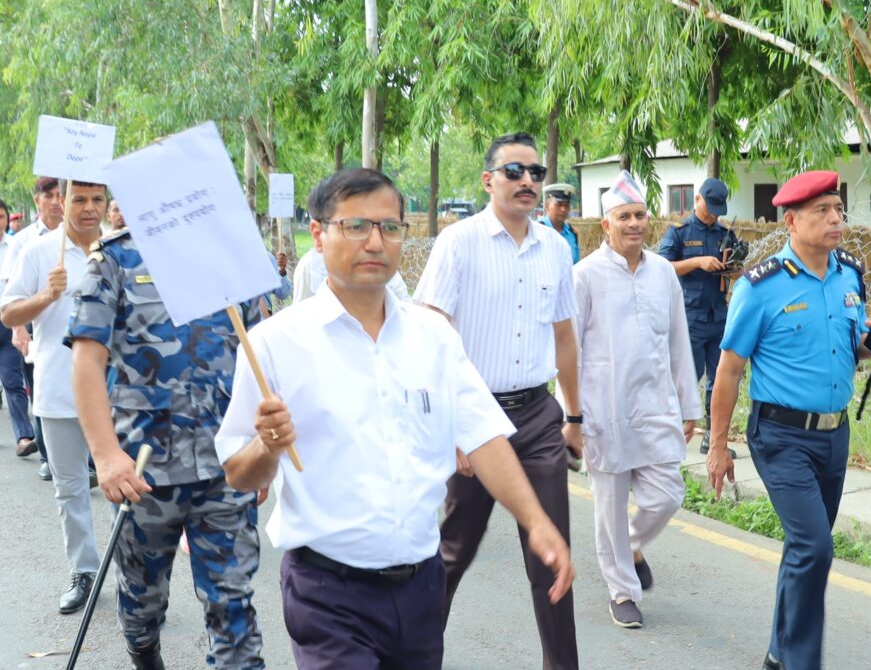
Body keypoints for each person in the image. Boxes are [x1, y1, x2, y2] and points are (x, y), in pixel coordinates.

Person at [215, 168, 573, 669]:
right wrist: (267, 445)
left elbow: (485, 437)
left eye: (390, 227)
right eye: (356, 226)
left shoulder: (434, 337)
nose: (375, 242)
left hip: (421, 587)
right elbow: (238, 470)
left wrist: (536, 522)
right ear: (318, 234)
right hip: (328, 594)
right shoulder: (275, 344)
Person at [705, 170, 871, 670]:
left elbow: (849, 346)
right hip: (780, 436)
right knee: (815, 547)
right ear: (790, 221)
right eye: (822, 211)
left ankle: (778, 653)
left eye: (838, 208)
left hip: (834, 437)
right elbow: (728, 369)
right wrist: (718, 445)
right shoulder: (760, 287)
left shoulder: (850, 274)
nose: (836, 218)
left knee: (804, 551)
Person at [67, 230, 285, 669]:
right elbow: (87, 360)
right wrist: (107, 456)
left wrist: (263, 458)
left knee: (233, 607)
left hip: (227, 469)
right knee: (143, 599)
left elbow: (263, 356)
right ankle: (144, 651)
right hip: (142, 472)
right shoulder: (115, 260)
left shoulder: (236, 253)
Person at [416, 131, 582, 670]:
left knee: (551, 553)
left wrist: (574, 414)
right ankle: (412, 656)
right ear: (488, 180)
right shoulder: (458, 242)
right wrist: (451, 425)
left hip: (537, 417)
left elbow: (563, 337)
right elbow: (430, 333)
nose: (528, 181)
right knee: (452, 553)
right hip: (473, 416)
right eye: (515, 172)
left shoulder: (555, 248)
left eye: (536, 173)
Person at [572, 171, 702, 628]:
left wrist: (689, 406)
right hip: (602, 407)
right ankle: (622, 592)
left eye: (640, 215)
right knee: (607, 505)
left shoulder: (663, 271)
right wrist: (572, 414)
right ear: (606, 225)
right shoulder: (584, 275)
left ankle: (629, 546)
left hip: (655, 404)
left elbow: (679, 343)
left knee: (667, 495)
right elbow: (568, 349)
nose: (633, 223)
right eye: (623, 216)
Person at [1, 181, 108, 615]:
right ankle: (84, 571)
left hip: (117, 395)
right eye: (79, 199)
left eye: (97, 199)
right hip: (59, 390)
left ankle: (140, 576)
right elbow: (8, 312)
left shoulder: (119, 251)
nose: (88, 208)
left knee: (136, 488)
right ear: (62, 201)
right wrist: (47, 295)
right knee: (71, 490)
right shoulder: (40, 252)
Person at [658, 177, 741, 456]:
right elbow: (662, 268)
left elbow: (738, 271)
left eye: (718, 208)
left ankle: (714, 440)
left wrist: (733, 269)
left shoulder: (725, 234)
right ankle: (671, 435)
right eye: (710, 206)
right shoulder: (679, 233)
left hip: (719, 317)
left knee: (719, 380)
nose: (714, 213)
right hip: (689, 319)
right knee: (684, 377)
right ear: (697, 199)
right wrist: (697, 262)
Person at [0, 177, 65, 479]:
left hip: (72, 328)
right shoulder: (23, 242)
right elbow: (12, 293)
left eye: (60, 195)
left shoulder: (82, 236)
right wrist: (19, 329)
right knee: (37, 387)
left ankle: (87, 459)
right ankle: (46, 451)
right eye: (48, 195)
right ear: (36, 199)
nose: (55, 201)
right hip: (32, 326)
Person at [0, 198, 36, 456]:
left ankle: (24, 436)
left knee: (13, 380)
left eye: (1, 217)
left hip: (8, 321)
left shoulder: (17, 246)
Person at [538, 183, 580, 263]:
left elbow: (576, 264)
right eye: (559, 205)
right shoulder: (537, 231)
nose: (563, 209)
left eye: (566, 205)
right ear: (547, 206)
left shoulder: (572, 234)